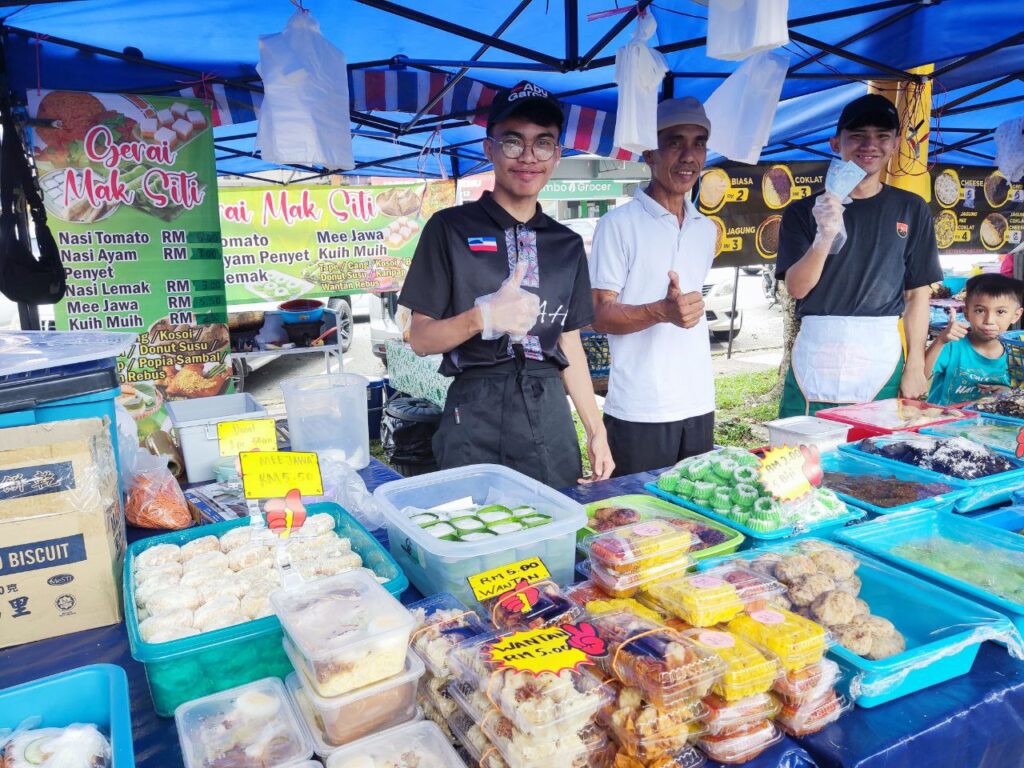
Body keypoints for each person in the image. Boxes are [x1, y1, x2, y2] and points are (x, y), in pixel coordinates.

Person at [397, 80, 613, 488]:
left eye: (542, 144)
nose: (528, 157)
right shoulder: (450, 229)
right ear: (489, 149)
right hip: (474, 412)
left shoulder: (566, 244)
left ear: (557, 155)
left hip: (549, 412)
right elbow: (420, 339)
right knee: (475, 524)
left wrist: (596, 431)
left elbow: (569, 343)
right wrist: (482, 317)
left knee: (557, 520)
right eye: (513, 142)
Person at [776, 93, 943, 417]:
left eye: (882, 136)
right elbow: (797, 288)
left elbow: (916, 295)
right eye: (858, 135)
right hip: (816, 352)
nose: (870, 145)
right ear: (835, 143)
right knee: (802, 446)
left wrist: (915, 364)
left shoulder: (912, 209)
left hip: (880, 354)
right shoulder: (803, 210)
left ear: (896, 144)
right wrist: (825, 233)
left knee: (877, 446)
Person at [589, 97, 715, 475]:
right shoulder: (618, 225)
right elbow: (598, 315)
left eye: (699, 143)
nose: (689, 156)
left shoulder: (706, 229)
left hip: (699, 402)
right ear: (649, 154)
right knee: (636, 511)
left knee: (696, 509)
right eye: (675, 142)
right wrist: (662, 311)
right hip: (639, 408)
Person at [925, 273, 1023, 405]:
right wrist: (940, 341)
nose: (989, 320)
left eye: (1000, 312)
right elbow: (919, 377)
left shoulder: (1017, 354)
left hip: (993, 418)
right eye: (980, 311)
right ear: (966, 313)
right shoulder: (952, 345)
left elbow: (1018, 394)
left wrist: (1008, 393)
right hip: (945, 417)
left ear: (1016, 315)